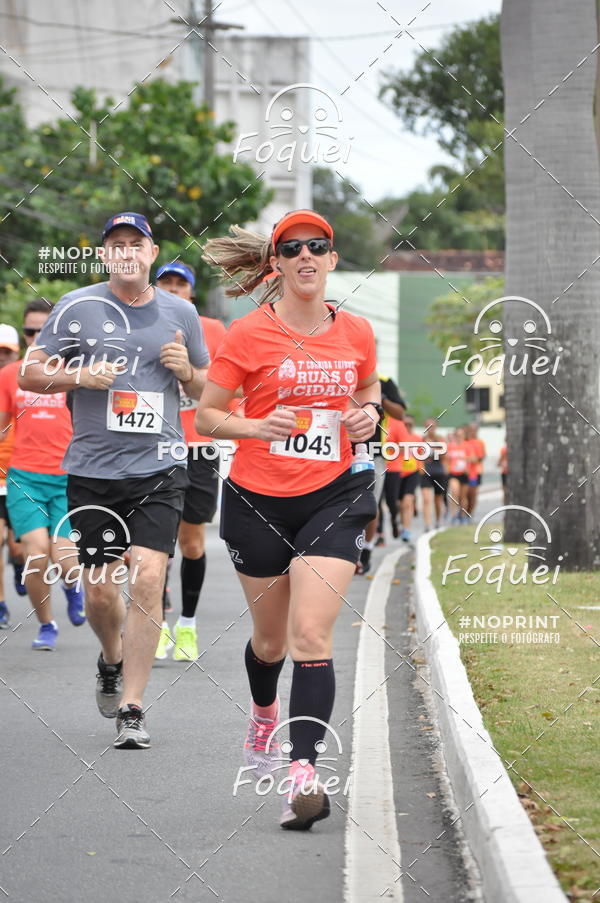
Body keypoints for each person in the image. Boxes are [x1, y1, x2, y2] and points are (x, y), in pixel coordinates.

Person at [198, 209, 379, 830]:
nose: (307, 256)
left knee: (310, 634)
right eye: (293, 247)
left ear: (332, 260)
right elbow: (208, 416)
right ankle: (263, 715)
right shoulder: (247, 334)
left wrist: (368, 415)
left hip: (336, 493)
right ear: (275, 263)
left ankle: (302, 771)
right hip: (258, 499)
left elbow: (368, 391)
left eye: (318, 246)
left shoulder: (356, 330)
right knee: (271, 642)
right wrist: (255, 426)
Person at [18, 212, 209, 747]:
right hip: (94, 471)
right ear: (104, 255)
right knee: (101, 593)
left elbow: (208, 386)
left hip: (160, 467)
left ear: (152, 254)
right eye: (116, 244)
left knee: (148, 577)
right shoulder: (76, 306)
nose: (127, 251)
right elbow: (30, 372)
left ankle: (133, 706)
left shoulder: (181, 312)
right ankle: (111, 659)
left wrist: (186, 372)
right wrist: (78, 375)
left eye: (136, 243)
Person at [0, 302, 85, 648]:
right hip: (25, 478)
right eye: (30, 331)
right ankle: (47, 624)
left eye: (43, 330)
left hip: (67, 477)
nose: (37, 337)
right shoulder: (10, 375)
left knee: (65, 560)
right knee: (35, 555)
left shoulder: (74, 372)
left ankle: (72, 586)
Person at [154, 261, 226, 662]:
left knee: (191, 542)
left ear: (191, 292)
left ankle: (188, 624)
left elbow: (226, 384)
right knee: (155, 543)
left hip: (199, 447)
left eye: (180, 284)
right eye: (165, 282)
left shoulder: (212, 329)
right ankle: (156, 624)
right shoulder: (140, 323)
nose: (173, 289)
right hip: (153, 444)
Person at [356, 372, 405, 573]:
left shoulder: (383, 382)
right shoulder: (339, 374)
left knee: (370, 506)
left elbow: (400, 413)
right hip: (338, 453)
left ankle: (366, 550)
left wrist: (380, 399)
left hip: (373, 453)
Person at [0, 325, 20, 628]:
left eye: (6, 352)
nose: (1, 357)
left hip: (21, 476)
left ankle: (20, 566)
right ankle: (1, 604)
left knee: (20, 548)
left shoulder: (27, 382)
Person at [420, 417, 446, 531]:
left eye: (432, 426)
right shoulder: (421, 440)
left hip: (438, 470)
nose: (430, 429)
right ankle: (427, 524)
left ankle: (438, 520)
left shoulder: (440, 440)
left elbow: (444, 454)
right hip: (425, 471)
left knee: (438, 498)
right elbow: (418, 455)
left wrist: (433, 447)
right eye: (428, 426)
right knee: (426, 498)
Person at [445, 426, 469, 523]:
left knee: (463, 496)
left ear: (464, 436)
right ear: (455, 436)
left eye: (461, 435)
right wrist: (446, 468)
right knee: (454, 492)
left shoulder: (467, 446)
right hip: (453, 473)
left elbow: (473, 458)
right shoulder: (450, 446)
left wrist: (466, 462)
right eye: (457, 435)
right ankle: (453, 514)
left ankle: (463, 515)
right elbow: (446, 459)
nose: (459, 437)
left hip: (464, 473)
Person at [465, 422, 486, 515]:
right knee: (465, 493)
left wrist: (474, 459)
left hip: (476, 471)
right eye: (470, 429)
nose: (472, 432)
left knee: (472, 493)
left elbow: (482, 456)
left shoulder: (480, 442)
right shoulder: (465, 441)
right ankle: (464, 511)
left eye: (474, 430)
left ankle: (470, 512)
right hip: (464, 471)